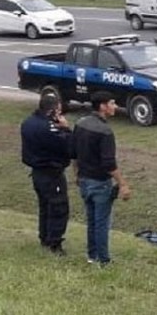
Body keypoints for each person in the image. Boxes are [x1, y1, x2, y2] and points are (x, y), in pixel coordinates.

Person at [71, 92, 131, 266]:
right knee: (102, 223)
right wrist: (123, 184)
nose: (115, 107)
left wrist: (76, 174)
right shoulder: (105, 132)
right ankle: (104, 260)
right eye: (112, 103)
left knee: (91, 221)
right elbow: (109, 164)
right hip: (100, 183)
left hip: (83, 180)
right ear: (103, 106)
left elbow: (73, 154)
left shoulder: (80, 123)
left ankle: (92, 256)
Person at [21, 91, 73, 256]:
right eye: (58, 109)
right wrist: (66, 129)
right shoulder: (50, 128)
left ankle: (44, 237)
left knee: (44, 207)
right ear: (53, 110)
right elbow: (68, 147)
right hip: (52, 173)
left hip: (37, 172)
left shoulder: (27, 123)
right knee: (58, 207)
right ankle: (54, 243)